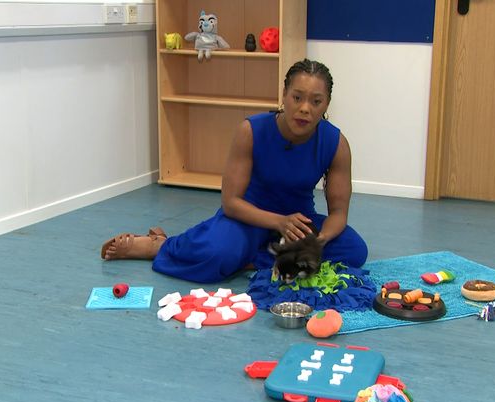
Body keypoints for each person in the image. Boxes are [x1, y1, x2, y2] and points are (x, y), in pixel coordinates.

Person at [100, 59, 368, 283]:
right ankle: (160, 245)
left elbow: (338, 214)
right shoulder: (251, 130)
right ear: (284, 95)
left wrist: (317, 242)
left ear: (326, 104)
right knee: (218, 254)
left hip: (297, 226)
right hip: (248, 217)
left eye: (316, 101)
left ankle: (249, 258)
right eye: (297, 97)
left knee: (354, 250)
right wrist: (279, 222)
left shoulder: (336, 143)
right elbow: (230, 203)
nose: (305, 108)